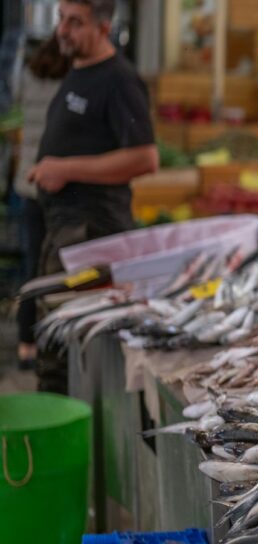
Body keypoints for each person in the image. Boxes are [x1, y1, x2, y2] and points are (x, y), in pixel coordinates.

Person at [28, 0, 159, 393]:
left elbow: (145, 158)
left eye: (75, 22)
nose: (62, 31)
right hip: (66, 229)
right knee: (56, 345)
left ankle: (67, 439)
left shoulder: (118, 79)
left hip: (93, 235)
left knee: (69, 353)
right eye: (60, 19)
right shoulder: (78, 71)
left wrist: (65, 169)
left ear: (104, 28)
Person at [13, 36, 71, 371]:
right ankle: (52, 340)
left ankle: (25, 344)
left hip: (27, 182)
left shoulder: (29, 77)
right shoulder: (66, 83)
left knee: (32, 266)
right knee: (55, 269)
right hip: (55, 185)